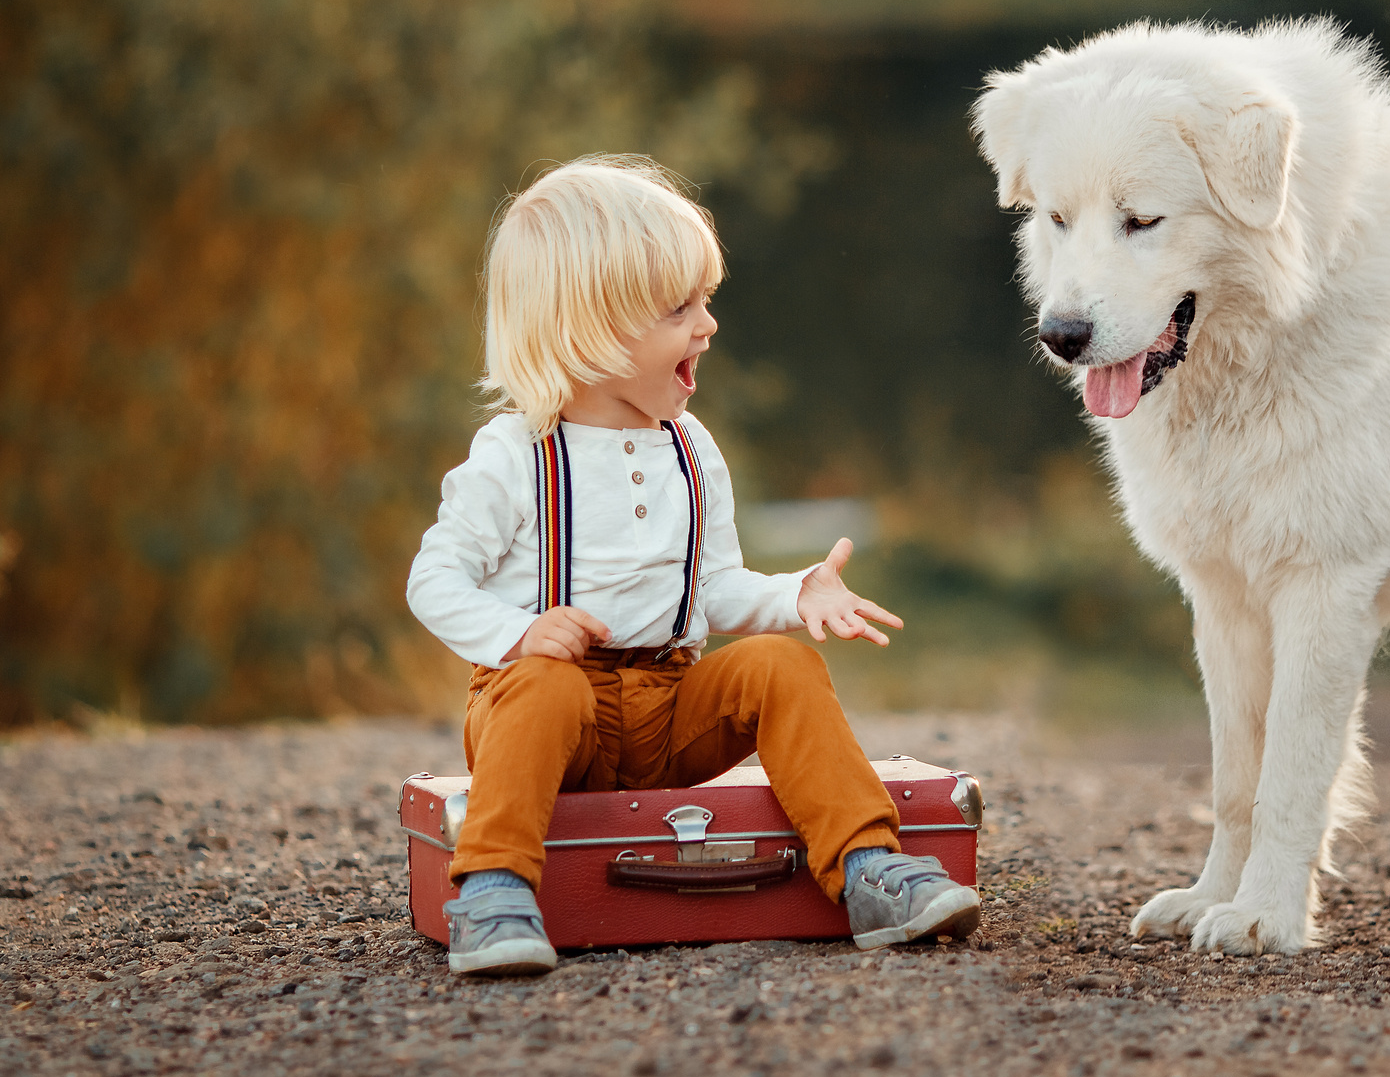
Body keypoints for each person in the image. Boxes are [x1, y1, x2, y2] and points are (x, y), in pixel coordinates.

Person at [405, 154, 980, 976]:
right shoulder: (515, 454)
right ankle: (493, 892)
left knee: (782, 665)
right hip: (546, 710)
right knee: (544, 686)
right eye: (681, 308)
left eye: (704, 301)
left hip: (670, 703)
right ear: (590, 331)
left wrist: (795, 593)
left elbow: (711, 587)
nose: (707, 325)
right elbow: (433, 579)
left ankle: (869, 869)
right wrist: (519, 634)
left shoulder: (691, 448)